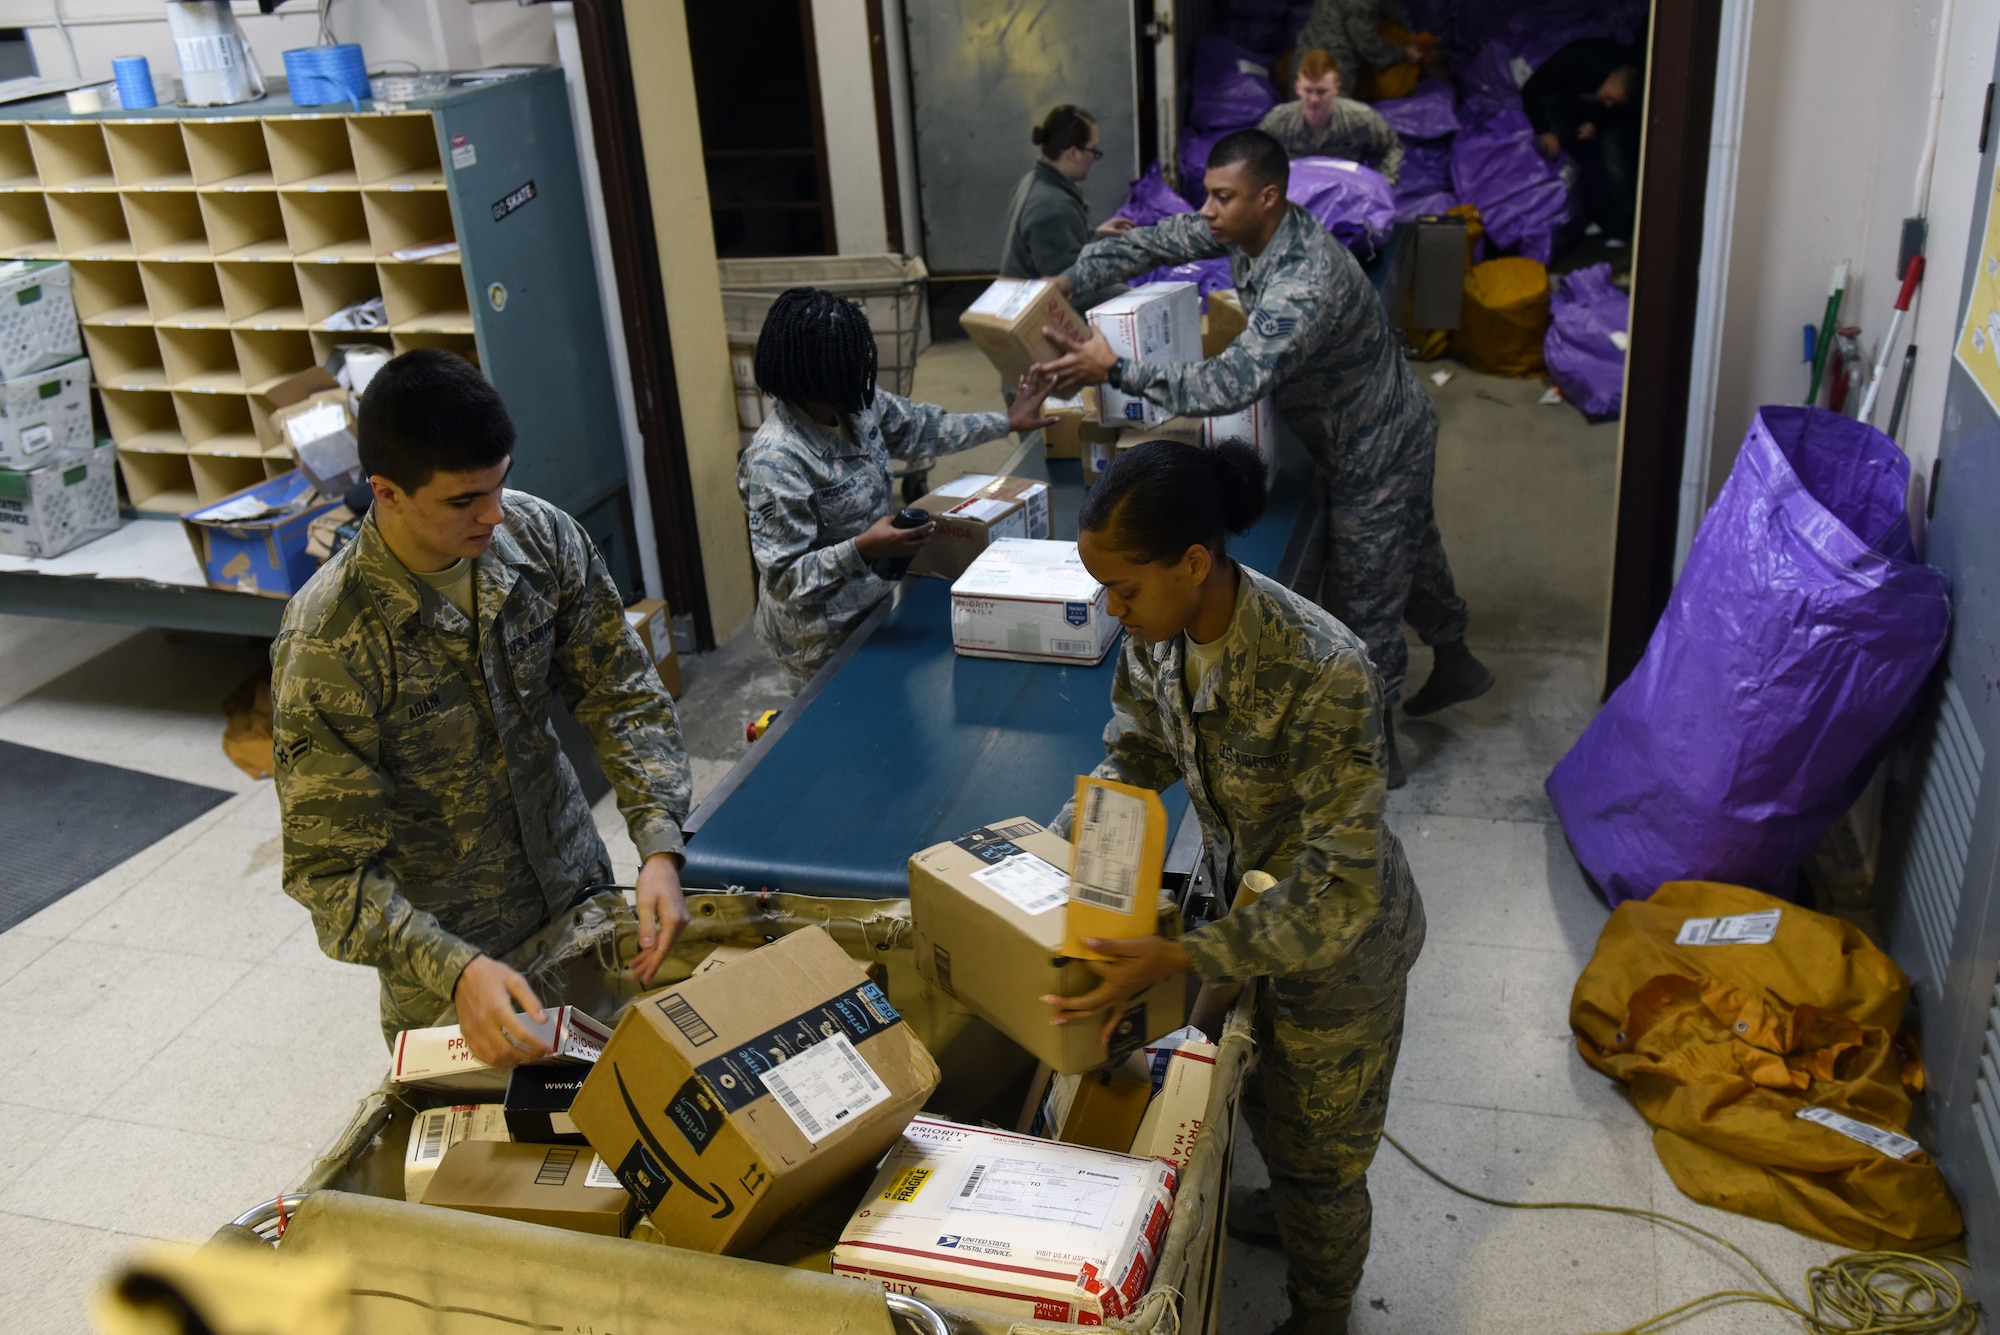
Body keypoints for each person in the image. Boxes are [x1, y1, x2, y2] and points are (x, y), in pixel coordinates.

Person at [1048, 440, 1426, 1335]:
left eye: (1126, 590)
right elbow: (1135, 753)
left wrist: (1178, 956)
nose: (1112, 610)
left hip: (1340, 955)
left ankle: (1323, 1311)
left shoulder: (1322, 670)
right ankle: (1283, 1202)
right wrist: (1059, 866)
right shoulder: (1158, 637)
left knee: (1323, 1158)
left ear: (1194, 563)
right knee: (1256, 1094)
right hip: (1244, 908)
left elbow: (1339, 891)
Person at [1032, 129, 1492, 787]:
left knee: (1363, 593)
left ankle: (1374, 751)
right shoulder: (1246, 228)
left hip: (1376, 443)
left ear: (1267, 197)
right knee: (1407, 549)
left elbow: (1233, 381)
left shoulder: (1305, 280)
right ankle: (1457, 656)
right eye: (1207, 197)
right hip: (1356, 428)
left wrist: (1117, 369)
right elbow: (1157, 241)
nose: (1209, 211)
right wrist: (1069, 281)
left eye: (1223, 198)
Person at [272, 349, 692, 1063]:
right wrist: (454, 968)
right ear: (388, 492)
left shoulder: (539, 538)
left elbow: (620, 690)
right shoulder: (329, 643)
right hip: (452, 968)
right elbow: (330, 875)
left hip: (578, 902)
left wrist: (658, 844)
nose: (494, 514)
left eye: (500, 485)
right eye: (465, 500)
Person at [737, 286, 1057, 684]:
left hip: (876, 605)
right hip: (820, 640)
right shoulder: (777, 459)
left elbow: (922, 428)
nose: (864, 370)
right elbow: (786, 580)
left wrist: (1007, 421)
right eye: (850, 362)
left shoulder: (854, 402)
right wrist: (863, 548)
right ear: (817, 374)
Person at [1000, 104, 1135, 310]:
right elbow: (1068, 289)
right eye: (1094, 150)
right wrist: (1130, 296)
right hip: (1033, 313)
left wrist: (1094, 233)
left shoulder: (1034, 182)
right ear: (1072, 153)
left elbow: (1051, 243)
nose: (1095, 159)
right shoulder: (1051, 207)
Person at [1522, 39, 1644, 243]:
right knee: (1565, 156)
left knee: (1615, 163)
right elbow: (1531, 90)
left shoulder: (1628, 77)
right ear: (1610, 78)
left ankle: (1619, 229)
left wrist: (1594, 122)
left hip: (1600, 115)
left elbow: (1613, 107)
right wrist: (1545, 130)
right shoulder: (1573, 64)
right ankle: (1568, 218)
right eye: (1608, 97)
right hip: (1563, 100)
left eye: (1614, 101)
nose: (1609, 103)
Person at [1258, 48, 1404, 183]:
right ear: (1297, 88)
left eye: (1322, 91)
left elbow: (1393, 147)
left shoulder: (1360, 119)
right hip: (1295, 197)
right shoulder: (1280, 120)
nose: (1314, 99)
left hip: (1346, 198)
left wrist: (1381, 185)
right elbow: (1253, 153)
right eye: (1308, 91)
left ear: (1336, 88)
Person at [1292, 0, 1425, 96]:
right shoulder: (1360, 4)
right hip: (1328, 77)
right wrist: (1403, 53)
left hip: (1302, 67)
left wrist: (1407, 29)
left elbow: (1386, 5)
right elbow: (1368, 45)